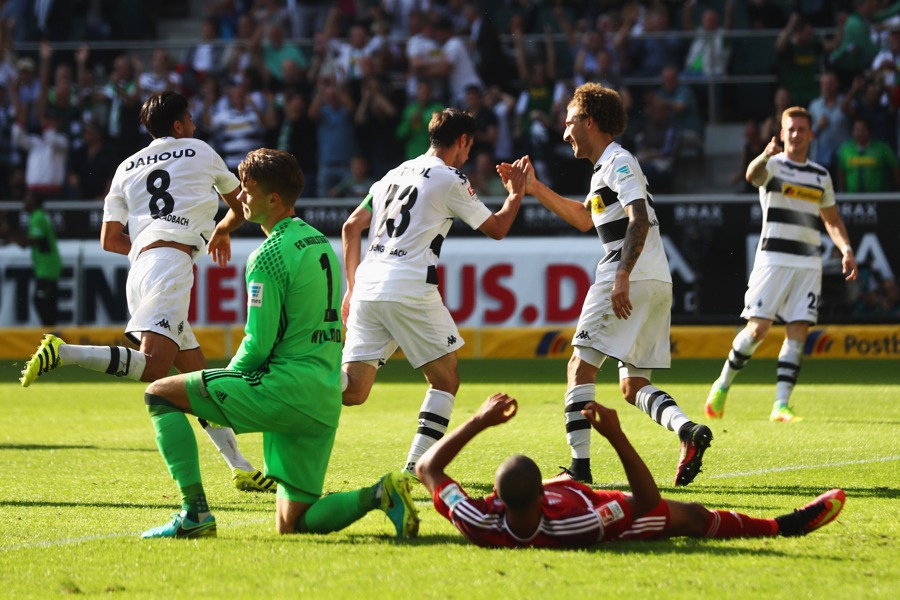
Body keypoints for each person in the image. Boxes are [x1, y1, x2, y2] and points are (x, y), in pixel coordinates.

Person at [139, 148, 419, 539]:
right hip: (323, 395)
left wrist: (221, 389)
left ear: (272, 199)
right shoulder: (318, 241)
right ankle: (380, 493)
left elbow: (257, 344)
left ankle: (194, 515)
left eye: (248, 192)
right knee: (294, 524)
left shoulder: (267, 256)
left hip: (285, 390)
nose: (240, 199)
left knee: (159, 394)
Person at [19, 91, 274, 493]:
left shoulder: (125, 166)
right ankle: (63, 352)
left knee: (195, 371)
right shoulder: (200, 150)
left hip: (139, 268)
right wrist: (220, 231)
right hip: (170, 266)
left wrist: (148, 246)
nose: (194, 125)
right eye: (189, 118)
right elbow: (240, 204)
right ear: (178, 126)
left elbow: (108, 239)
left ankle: (240, 465)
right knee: (154, 368)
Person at [497, 83, 711, 487]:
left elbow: (640, 217)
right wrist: (534, 188)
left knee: (579, 367)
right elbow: (582, 218)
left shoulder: (619, 162)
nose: (565, 133)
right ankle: (688, 431)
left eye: (569, 122)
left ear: (589, 121)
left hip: (627, 275)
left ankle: (579, 470)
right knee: (633, 386)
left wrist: (622, 276)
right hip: (654, 279)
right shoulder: (605, 169)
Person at [341, 108, 526, 476]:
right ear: (461, 141)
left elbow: (351, 227)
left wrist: (351, 287)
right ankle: (416, 468)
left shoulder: (392, 174)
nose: (468, 155)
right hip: (408, 285)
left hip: (367, 286)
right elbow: (497, 228)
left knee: (352, 391)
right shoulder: (451, 178)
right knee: (446, 379)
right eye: (469, 147)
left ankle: (292, 386)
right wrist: (516, 194)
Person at [416, 393, 846, 549]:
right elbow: (645, 502)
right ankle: (782, 527)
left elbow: (427, 466)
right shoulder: (574, 525)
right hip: (601, 509)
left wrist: (478, 421)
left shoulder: (477, 518)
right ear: (542, 497)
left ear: (496, 496)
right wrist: (616, 435)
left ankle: (778, 527)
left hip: (566, 493)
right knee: (693, 516)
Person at [705, 106, 859, 423]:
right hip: (773, 259)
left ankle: (781, 405)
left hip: (808, 261)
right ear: (783, 131)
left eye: (802, 129)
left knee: (798, 330)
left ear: (810, 134)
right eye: (791, 128)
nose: (796, 134)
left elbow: (831, 219)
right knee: (758, 329)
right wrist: (763, 155)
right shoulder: (772, 165)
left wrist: (845, 248)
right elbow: (752, 176)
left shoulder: (820, 175)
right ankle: (722, 385)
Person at [0, 193, 61, 326]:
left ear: (35, 201)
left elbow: (30, 241)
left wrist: (10, 234)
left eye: (28, 198)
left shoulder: (37, 217)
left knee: (40, 300)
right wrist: (11, 238)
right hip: (45, 267)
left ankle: (50, 331)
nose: (25, 201)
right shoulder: (36, 216)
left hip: (48, 267)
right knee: (46, 301)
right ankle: (50, 331)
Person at [837, 117, 900, 192]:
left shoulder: (882, 147)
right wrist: (841, 190)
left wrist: (897, 188)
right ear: (852, 132)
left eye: (863, 129)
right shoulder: (845, 149)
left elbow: (895, 168)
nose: (859, 133)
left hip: (879, 198)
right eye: (856, 130)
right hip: (852, 198)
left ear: (869, 130)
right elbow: (840, 171)